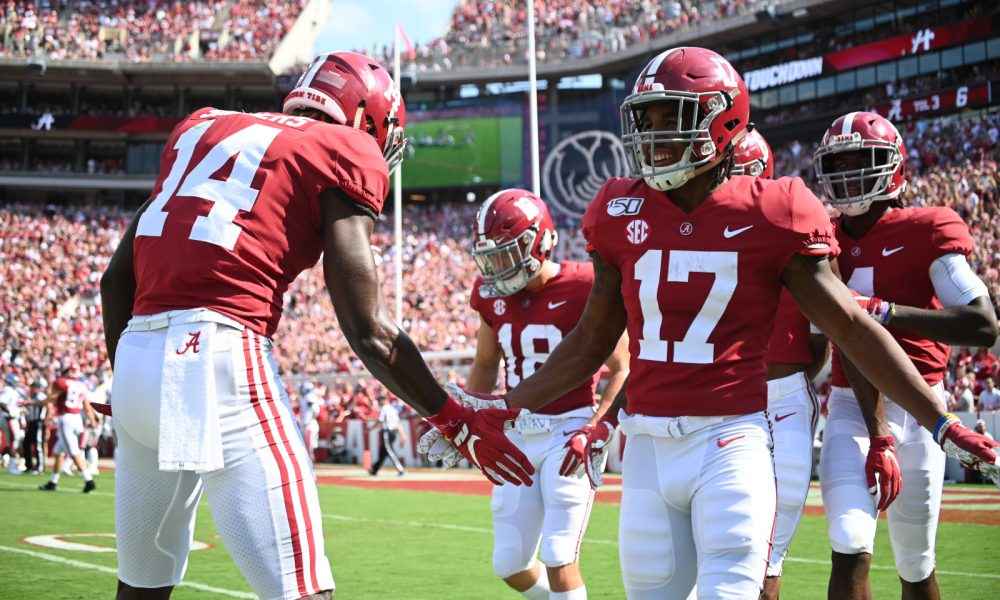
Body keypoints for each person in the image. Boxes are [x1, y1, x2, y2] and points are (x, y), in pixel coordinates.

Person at [423, 47, 999, 598]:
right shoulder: (619, 209)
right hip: (645, 447)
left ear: (723, 121)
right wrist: (497, 409)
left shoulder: (775, 208)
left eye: (669, 116)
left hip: (730, 439)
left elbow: (849, 328)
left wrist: (940, 422)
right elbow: (589, 343)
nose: (652, 134)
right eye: (643, 118)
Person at [99, 51, 533, 600]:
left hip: (138, 357)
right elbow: (368, 329)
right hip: (217, 358)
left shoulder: (203, 127)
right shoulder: (343, 147)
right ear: (368, 118)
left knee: (141, 588)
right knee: (303, 590)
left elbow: (116, 281)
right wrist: (453, 418)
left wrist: (130, 379)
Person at [813, 110, 999, 600]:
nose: (849, 174)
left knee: (916, 563)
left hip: (923, 408)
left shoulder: (928, 227)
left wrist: (886, 313)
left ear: (893, 166)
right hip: (852, 404)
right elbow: (833, 339)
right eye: (838, 164)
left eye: (861, 161)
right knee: (848, 542)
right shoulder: (820, 238)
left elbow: (982, 324)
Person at [463, 189, 629, 599]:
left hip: (567, 428)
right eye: (492, 256)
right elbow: (486, 363)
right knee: (510, 564)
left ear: (540, 240)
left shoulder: (585, 284)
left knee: (558, 554)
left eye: (507, 253)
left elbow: (623, 367)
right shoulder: (490, 295)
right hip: (515, 434)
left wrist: (597, 426)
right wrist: (467, 418)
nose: (498, 267)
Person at [733, 129, 830, 600]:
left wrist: (785, 380)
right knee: (725, 543)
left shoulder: (794, 224)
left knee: (768, 554)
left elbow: (824, 336)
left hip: (783, 395)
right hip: (727, 399)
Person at [38, 365, 98, 492]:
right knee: (59, 451)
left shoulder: (62, 382)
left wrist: (33, 403)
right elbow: (86, 406)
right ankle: (53, 482)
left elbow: (51, 398)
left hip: (66, 418)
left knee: (73, 451)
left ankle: (89, 480)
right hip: (77, 418)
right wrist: (92, 420)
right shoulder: (82, 385)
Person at [368, 395, 406, 476]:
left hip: (387, 432)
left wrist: (370, 428)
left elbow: (380, 421)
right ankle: (374, 469)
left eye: (379, 401)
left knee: (389, 451)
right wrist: (402, 434)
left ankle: (400, 468)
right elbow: (398, 423)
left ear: (383, 401)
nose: (378, 403)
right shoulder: (393, 409)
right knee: (383, 452)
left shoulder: (384, 409)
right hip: (394, 432)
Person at [0, 373, 25, 474]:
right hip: (8, 418)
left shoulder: (12, 391)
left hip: (10, 418)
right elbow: (1, 402)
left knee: (14, 441)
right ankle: (11, 467)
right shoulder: (8, 390)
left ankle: (8, 462)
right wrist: (9, 412)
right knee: (14, 441)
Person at [22, 379, 48, 474]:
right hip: (31, 423)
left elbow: (48, 406)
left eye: (33, 387)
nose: (31, 389)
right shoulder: (32, 396)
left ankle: (40, 467)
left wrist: (46, 419)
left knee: (38, 445)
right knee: (26, 443)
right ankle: (29, 466)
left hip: (38, 422)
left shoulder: (41, 396)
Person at [298, 381, 322, 462]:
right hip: (308, 424)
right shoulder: (308, 397)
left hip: (309, 425)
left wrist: (308, 420)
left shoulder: (310, 397)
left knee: (308, 450)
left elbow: (315, 410)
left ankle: (311, 469)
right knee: (306, 449)